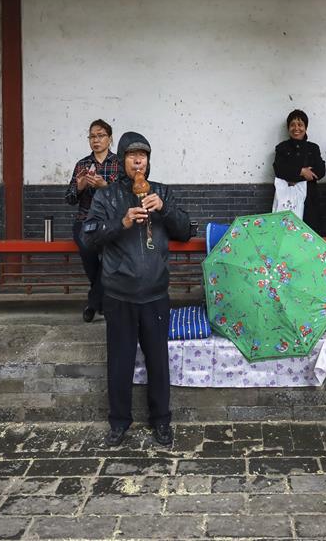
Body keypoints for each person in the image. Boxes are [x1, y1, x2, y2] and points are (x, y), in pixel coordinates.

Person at [82, 131, 191, 448]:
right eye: (132, 156)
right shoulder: (107, 197)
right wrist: (123, 222)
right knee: (120, 360)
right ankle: (119, 422)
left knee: (158, 361)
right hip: (119, 293)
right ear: (122, 162)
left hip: (155, 293)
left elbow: (185, 231)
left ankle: (161, 421)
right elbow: (89, 236)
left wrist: (166, 210)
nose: (139, 161)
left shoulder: (161, 192)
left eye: (143, 156)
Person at [64, 119, 121, 323]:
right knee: (88, 255)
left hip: (112, 220)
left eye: (100, 136)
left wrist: (105, 186)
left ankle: (93, 303)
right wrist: (79, 187)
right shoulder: (82, 164)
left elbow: (123, 196)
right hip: (85, 219)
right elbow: (70, 199)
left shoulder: (119, 164)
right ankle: (102, 301)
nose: (96, 140)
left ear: (110, 139)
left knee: (109, 259)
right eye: (92, 136)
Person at [273, 109, 326, 233]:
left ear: (305, 127)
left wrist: (292, 177)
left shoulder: (313, 148)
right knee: (287, 232)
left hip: (310, 200)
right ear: (288, 128)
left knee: (309, 233)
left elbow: (320, 171)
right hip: (287, 198)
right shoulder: (282, 148)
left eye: (300, 125)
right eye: (292, 125)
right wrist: (302, 172)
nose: (296, 128)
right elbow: (279, 170)